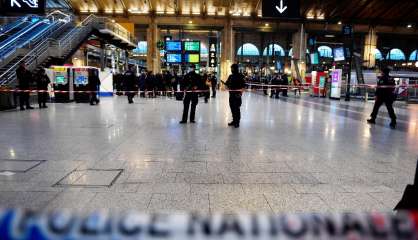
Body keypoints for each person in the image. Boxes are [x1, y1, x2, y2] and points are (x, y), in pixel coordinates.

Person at [224, 64, 246, 128]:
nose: (231, 70)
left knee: (237, 109)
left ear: (235, 68)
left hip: (237, 95)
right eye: (231, 68)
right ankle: (234, 121)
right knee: (232, 108)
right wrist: (226, 85)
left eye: (232, 68)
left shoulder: (240, 76)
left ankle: (237, 122)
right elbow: (227, 83)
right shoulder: (230, 76)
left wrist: (240, 93)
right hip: (231, 95)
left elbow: (243, 86)